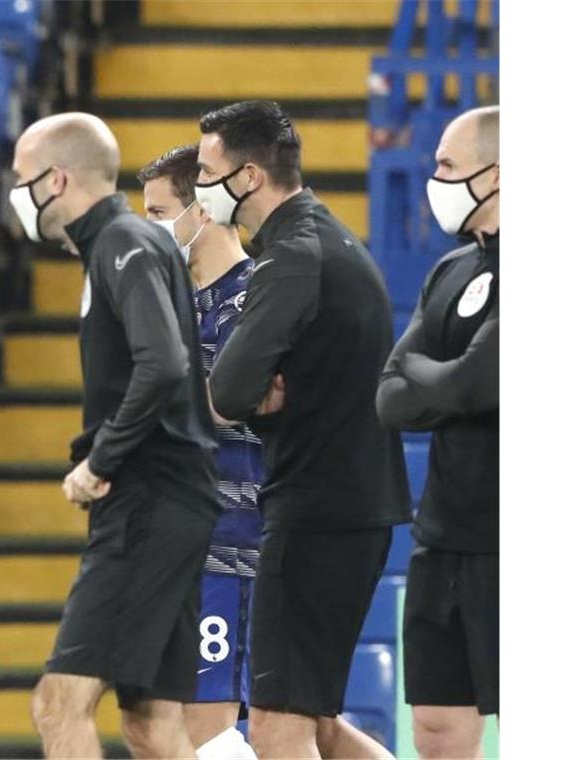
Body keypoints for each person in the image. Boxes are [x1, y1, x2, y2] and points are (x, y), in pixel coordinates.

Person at [201, 100, 411, 759]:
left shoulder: (291, 256)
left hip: (316, 513)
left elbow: (226, 393)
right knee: (317, 721)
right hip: (352, 508)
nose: (199, 187)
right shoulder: (326, 234)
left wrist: (252, 394)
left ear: (250, 176)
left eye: (207, 170)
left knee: (275, 728)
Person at [10, 112, 222, 759]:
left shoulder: (122, 242)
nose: (16, 194)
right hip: (172, 499)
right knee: (152, 725)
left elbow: (163, 362)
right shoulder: (127, 242)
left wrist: (101, 459)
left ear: (58, 179)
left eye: (23, 179)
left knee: (60, 701)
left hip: (147, 500)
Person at [376, 106, 499, 759]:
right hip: (441, 537)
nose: (436, 178)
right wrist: (448, 379)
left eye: (447, 166)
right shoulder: (450, 270)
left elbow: (471, 384)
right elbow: (390, 396)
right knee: (435, 727)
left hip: (511, 545)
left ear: (496, 174)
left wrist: (438, 379)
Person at [139, 145, 264, 760]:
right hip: (175, 544)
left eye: (159, 213)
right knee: (163, 726)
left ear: (203, 211)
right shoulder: (173, 303)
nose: (149, 231)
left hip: (231, 542)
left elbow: (237, 407)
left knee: (209, 726)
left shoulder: (257, 300)